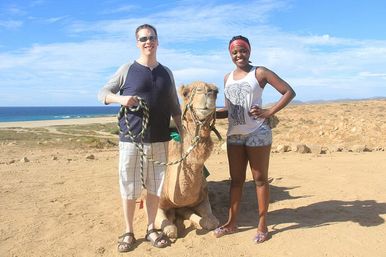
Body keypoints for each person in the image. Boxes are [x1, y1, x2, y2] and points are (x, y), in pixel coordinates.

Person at [97, 24, 182, 252]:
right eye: (143, 38)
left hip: (159, 139)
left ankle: (151, 228)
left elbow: (174, 105)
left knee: (154, 188)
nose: (148, 41)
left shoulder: (167, 73)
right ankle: (128, 231)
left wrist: (183, 131)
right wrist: (121, 100)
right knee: (129, 187)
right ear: (137, 43)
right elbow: (102, 94)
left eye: (152, 37)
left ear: (157, 41)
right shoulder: (127, 69)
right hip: (130, 139)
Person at [214, 35, 295, 243]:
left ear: (249, 51)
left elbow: (288, 92)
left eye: (242, 50)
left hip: (257, 132)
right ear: (230, 54)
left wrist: (269, 112)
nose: (239, 55)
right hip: (234, 135)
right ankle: (231, 224)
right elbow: (229, 110)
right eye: (234, 52)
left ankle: (262, 226)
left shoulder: (259, 72)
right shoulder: (227, 78)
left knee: (260, 180)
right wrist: (209, 114)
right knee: (236, 181)